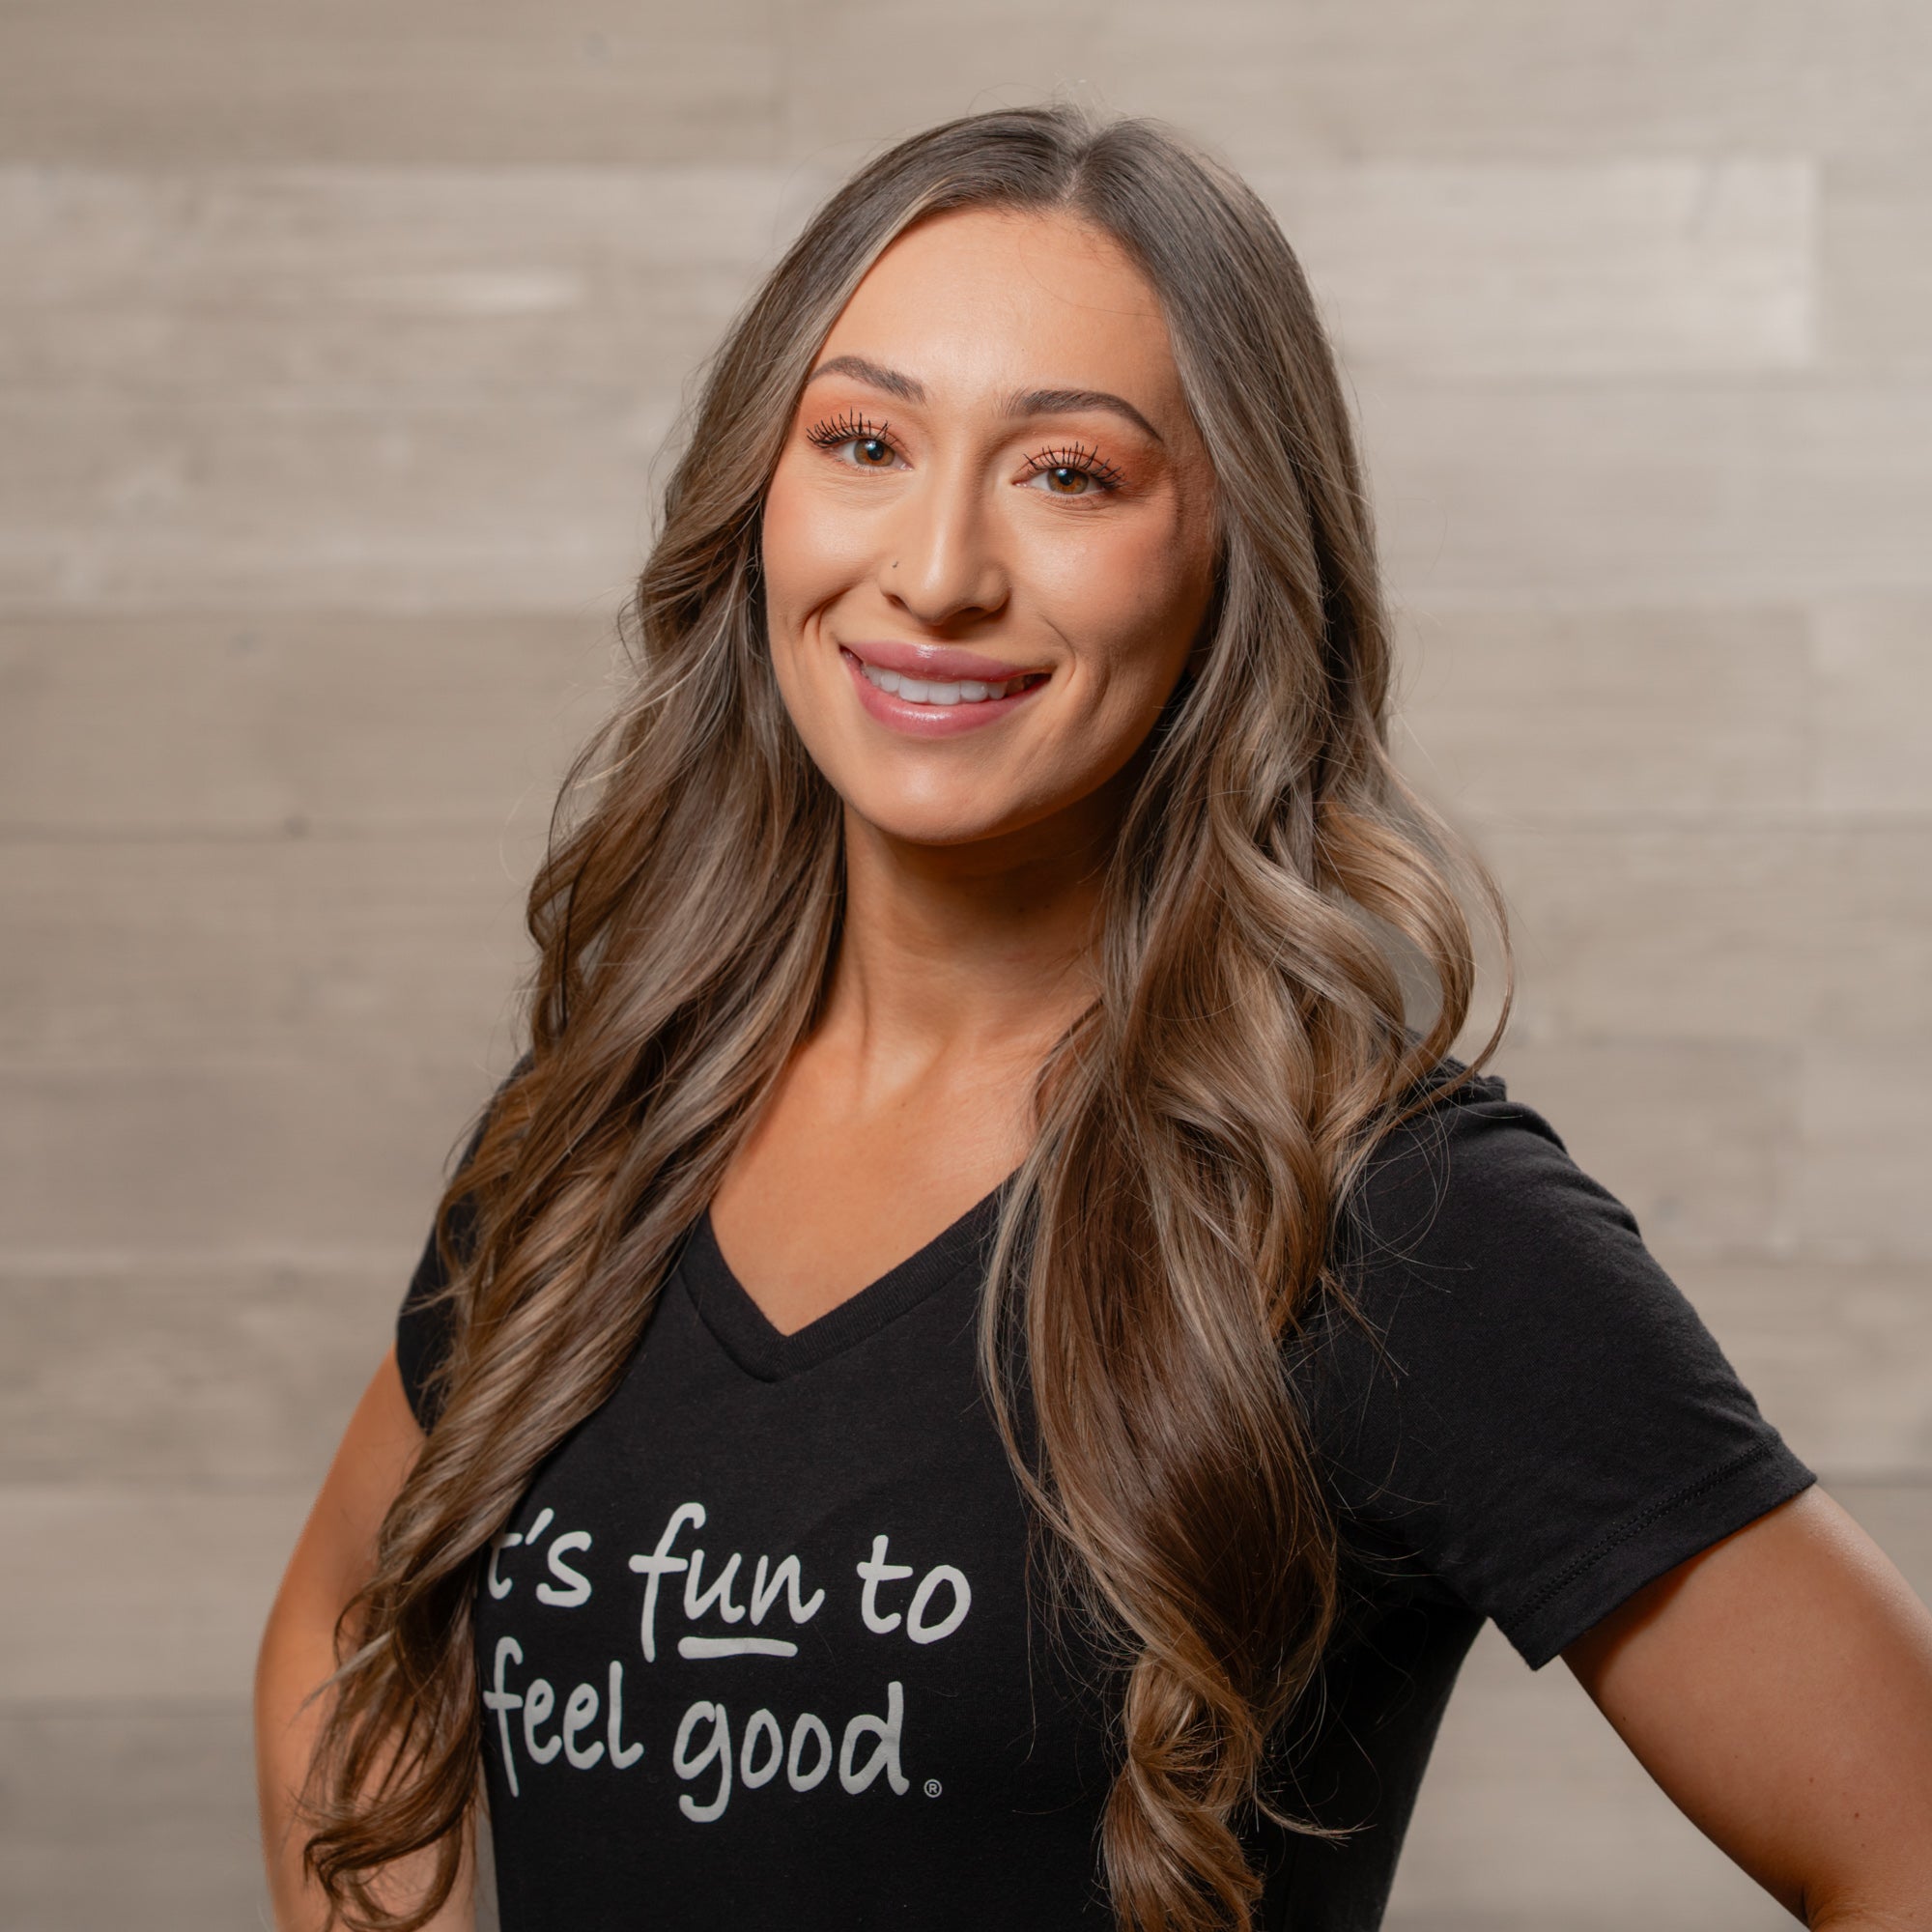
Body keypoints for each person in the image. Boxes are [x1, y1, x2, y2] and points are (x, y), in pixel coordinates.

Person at [254, 105, 1932, 1932]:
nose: (940, 567)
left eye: (1068, 475)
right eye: (865, 442)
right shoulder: (599, 1134)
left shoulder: (1390, 1220)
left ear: (1231, 551)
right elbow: (354, 1634)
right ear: (762, 497)